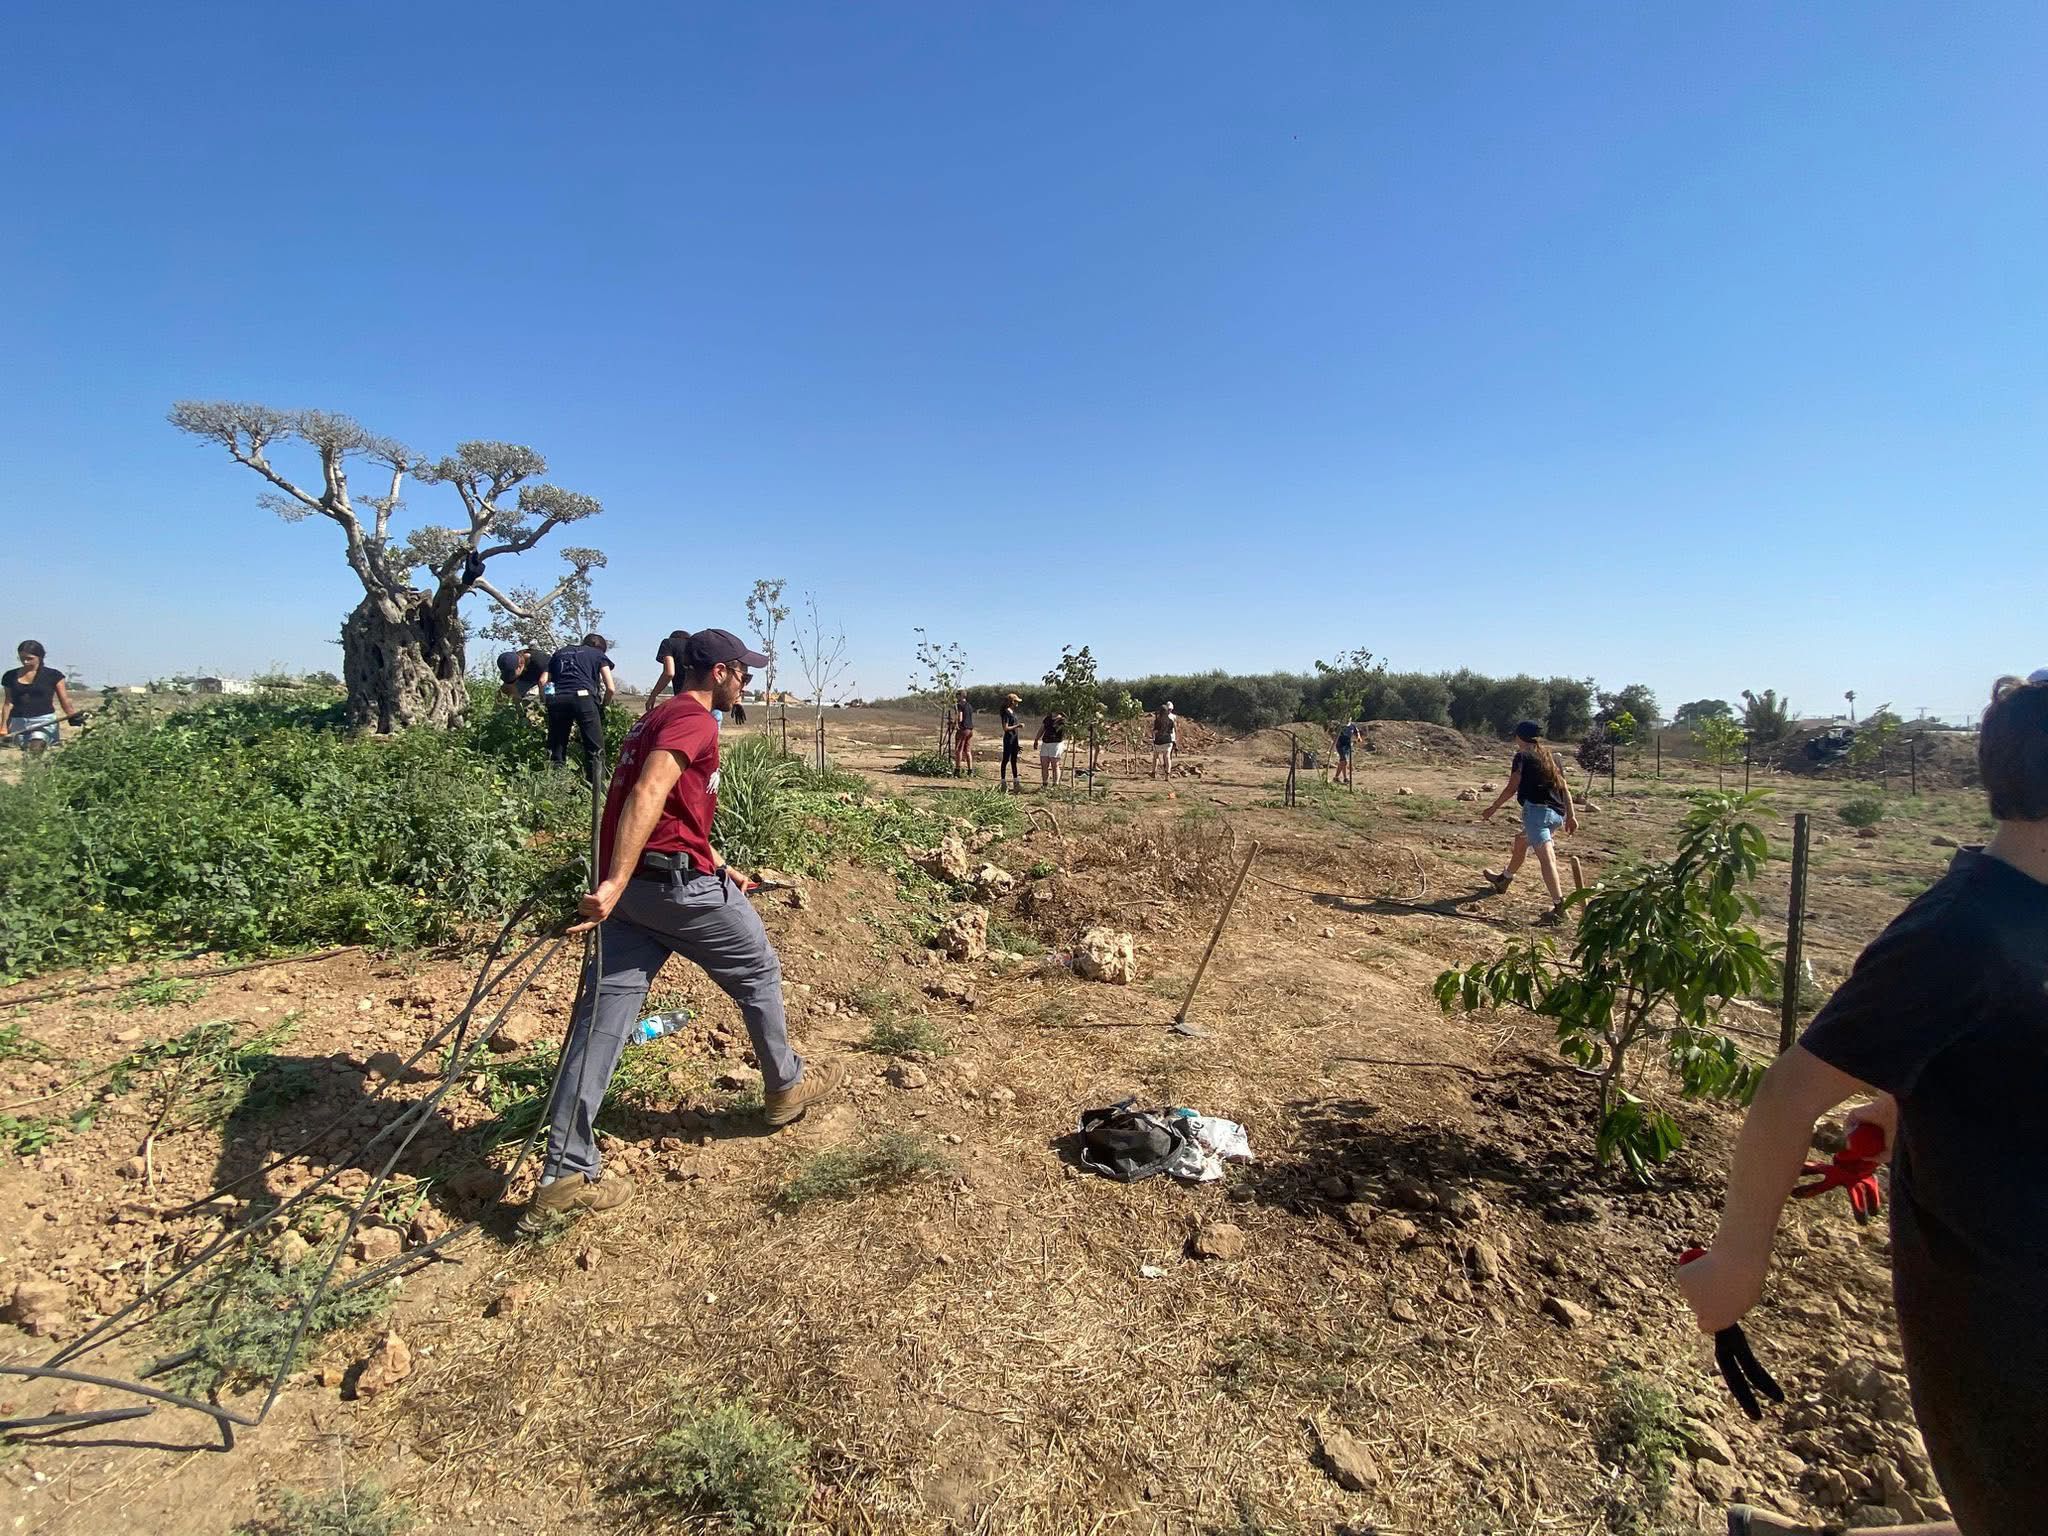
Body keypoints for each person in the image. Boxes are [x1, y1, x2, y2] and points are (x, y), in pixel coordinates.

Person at [1679, 673, 2048, 1536]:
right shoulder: (1959, 932)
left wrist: (1893, 1101)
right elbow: (1790, 1091)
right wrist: (1736, 1264)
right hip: (2009, 1317)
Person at [524, 628, 847, 1227]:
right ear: (719, 672)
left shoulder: (654, 718)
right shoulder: (694, 720)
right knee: (758, 972)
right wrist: (616, 881)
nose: (747, 680)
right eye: (742, 671)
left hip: (644, 892)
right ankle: (784, 1089)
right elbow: (647, 793)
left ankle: (563, 1175)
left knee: (601, 1023)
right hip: (671, 891)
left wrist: (713, 864)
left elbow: (666, 808)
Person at [1478, 720, 1577, 924]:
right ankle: (1504, 879)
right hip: (1556, 815)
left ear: (1519, 737)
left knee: (1547, 858)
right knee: (1521, 841)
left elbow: (1512, 787)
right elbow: (1564, 788)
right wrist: (1572, 815)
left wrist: (1493, 808)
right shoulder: (1548, 757)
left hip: (1537, 814)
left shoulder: (1522, 756)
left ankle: (1559, 908)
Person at [539, 633, 616, 786]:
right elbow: (611, 688)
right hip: (584, 699)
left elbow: (542, 681)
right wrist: (603, 706)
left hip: (558, 699)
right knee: (594, 747)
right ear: (600, 648)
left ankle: (555, 784)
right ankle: (595, 789)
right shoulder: (597, 654)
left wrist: (547, 701)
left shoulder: (559, 653)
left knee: (557, 744)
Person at [3, 641, 77, 752]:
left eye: (29, 658)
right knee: (22, 750)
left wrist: (72, 715)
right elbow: (8, 703)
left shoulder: (53, 675)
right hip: (19, 722)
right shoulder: (10, 676)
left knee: (36, 746)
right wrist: (3, 727)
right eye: (22, 658)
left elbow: (64, 699)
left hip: (44, 721)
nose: (25, 661)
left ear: (40, 657)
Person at [645, 629, 691, 713]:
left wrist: (653, 695)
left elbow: (669, 673)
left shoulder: (669, 643)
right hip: (710, 701)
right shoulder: (698, 646)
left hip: (687, 702)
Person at [998, 693, 1024, 793]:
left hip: (1014, 739)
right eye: (1016, 701)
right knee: (1005, 760)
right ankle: (1003, 782)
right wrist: (1017, 726)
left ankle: (1016, 782)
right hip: (1008, 739)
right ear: (1012, 702)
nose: (1018, 703)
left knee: (1014, 760)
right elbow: (1005, 728)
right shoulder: (1006, 713)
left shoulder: (1012, 712)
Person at [1035, 710, 1067, 788]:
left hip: (1056, 743)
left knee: (1055, 765)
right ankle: (1045, 784)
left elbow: (1065, 731)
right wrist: (1036, 739)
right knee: (1044, 764)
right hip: (1045, 743)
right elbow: (1042, 729)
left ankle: (1055, 784)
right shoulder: (1047, 719)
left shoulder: (1062, 720)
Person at [1151, 702, 1177, 780]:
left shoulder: (1157, 720)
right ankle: (1167, 774)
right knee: (1167, 757)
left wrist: (1153, 735)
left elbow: (1155, 731)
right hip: (1168, 741)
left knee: (1155, 757)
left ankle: (1153, 772)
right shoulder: (1170, 721)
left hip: (1158, 741)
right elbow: (1171, 731)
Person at [952, 690, 975, 776]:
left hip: (963, 729)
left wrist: (954, 723)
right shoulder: (969, 706)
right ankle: (970, 771)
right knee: (968, 751)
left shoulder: (959, 705)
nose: (956, 698)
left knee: (958, 750)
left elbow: (960, 718)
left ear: (960, 696)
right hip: (970, 730)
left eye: (957, 696)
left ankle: (957, 770)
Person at [1333, 717, 1358, 786]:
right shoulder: (1340, 726)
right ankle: (1336, 777)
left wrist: (1358, 738)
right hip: (1340, 745)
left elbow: (1357, 732)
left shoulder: (1352, 726)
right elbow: (1334, 734)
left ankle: (1345, 778)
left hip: (1347, 746)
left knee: (1343, 762)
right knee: (1344, 761)